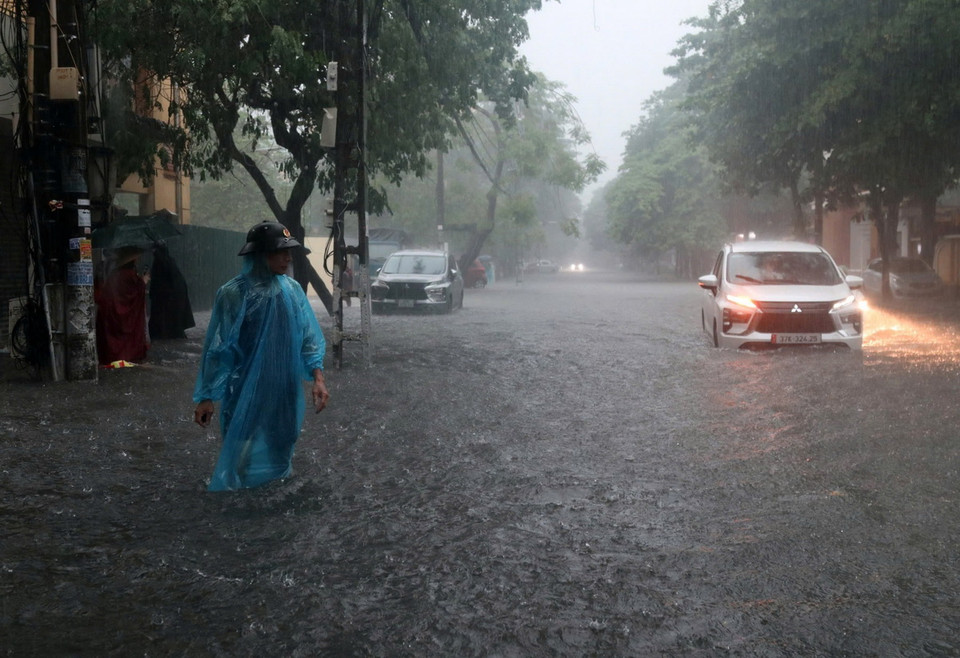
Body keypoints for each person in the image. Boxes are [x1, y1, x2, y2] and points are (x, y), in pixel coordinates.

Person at [192, 221, 330, 492]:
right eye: (280, 252)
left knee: (283, 448)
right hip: (245, 389)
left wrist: (318, 378)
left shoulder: (292, 291)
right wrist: (206, 396)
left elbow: (308, 339)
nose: (288, 258)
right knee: (240, 451)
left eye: (289, 252)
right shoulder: (233, 294)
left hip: (284, 387)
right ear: (260, 255)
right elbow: (218, 349)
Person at [96, 246, 150, 365]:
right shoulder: (128, 274)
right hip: (120, 315)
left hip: (110, 313)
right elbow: (132, 293)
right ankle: (126, 356)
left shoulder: (115, 274)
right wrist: (143, 281)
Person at [148, 241, 195, 340]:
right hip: (174, 296)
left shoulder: (160, 263)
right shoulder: (169, 261)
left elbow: (158, 283)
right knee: (172, 320)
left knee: (165, 319)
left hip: (168, 297)